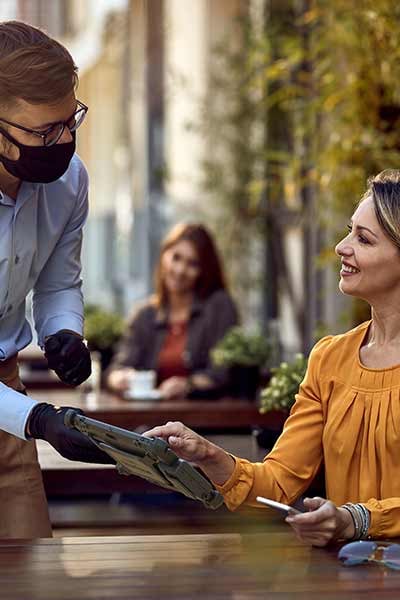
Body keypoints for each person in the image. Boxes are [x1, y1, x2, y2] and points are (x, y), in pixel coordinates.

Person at [144, 169, 400, 546]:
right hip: (350, 576)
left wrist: (358, 519)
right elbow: (279, 483)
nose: (341, 247)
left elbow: (352, 519)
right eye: (349, 231)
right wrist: (208, 454)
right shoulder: (330, 359)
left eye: (363, 239)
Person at [0, 21, 114, 538]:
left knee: (29, 559)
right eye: (44, 132)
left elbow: (57, 281)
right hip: (18, 407)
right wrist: (39, 420)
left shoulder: (70, 182)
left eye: (71, 121)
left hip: (7, 384)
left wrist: (63, 331)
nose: (64, 140)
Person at [106, 223, 239, 400]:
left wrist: (188, 385)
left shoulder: (219, 306)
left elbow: (223, 373)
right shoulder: (144, 315)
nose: (180, 270)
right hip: (149, 421)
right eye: (176, 257)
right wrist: (120, 378)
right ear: (163, 256)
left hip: (204, 421)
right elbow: (116, 369)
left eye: (193, 264)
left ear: (204, 270)